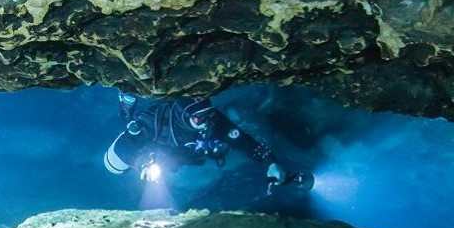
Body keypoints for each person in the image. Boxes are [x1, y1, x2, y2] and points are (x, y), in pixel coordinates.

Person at [102, 92, 312, 194]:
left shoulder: (212, 120)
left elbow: (242, 141)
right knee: (119, 166)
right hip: (179, 155)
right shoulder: (153, 122)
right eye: (199, 118)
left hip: (197, 153)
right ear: (185, 115)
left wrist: (270, 162)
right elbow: (122, 150)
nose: (205, 121)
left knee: (229, 136)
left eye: (207, 114)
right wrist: (143, 164)